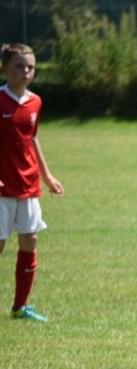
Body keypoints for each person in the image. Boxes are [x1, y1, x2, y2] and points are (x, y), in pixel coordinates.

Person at [0, 43, 63, 323]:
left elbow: (32, 139)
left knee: (30, 239)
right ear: (4, 69)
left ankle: (20, 306)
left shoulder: (35, 102)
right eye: (19, 66)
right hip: (2, 188)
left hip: (27, 184)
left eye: (30, 67)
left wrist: (47, 176)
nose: (25, 71)